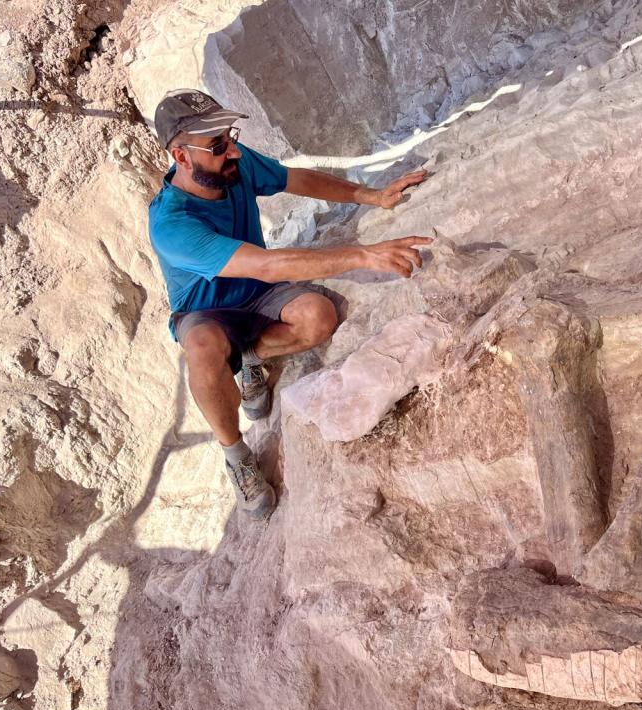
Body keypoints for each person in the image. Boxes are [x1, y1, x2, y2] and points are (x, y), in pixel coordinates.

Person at [148, 89, 431, 521]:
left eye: (231, 136)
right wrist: (363, 254)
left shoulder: (230, 167)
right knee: (203, 349)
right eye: (219, 145)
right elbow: (266, 265)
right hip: (207, 309)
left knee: (319, 317)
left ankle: (247, 359)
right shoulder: (172, 223)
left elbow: (294, 180)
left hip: (257, 295)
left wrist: (370, 196)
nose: (234, 152)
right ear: (181, 157)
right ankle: (236, 454)